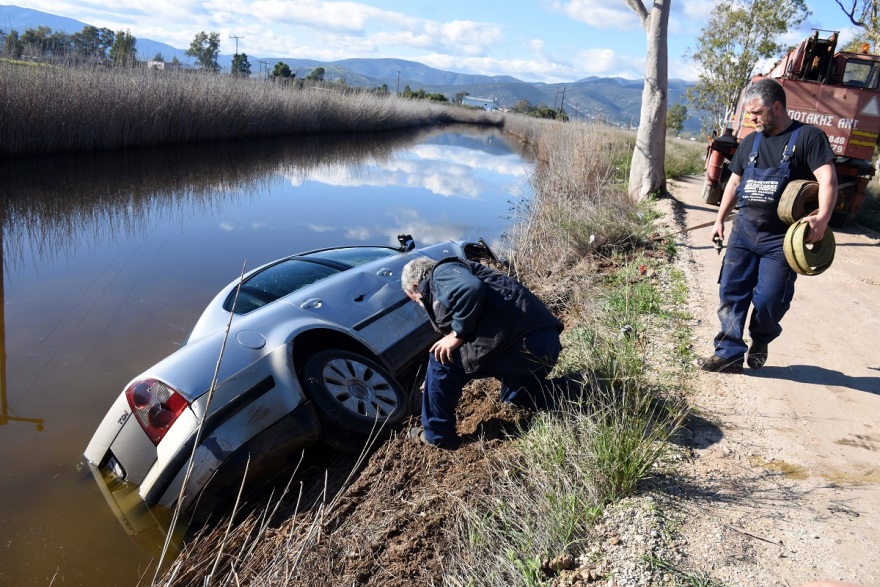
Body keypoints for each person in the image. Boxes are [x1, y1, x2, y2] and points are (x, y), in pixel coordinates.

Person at [699, 77, 838, 373]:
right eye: (749, 114)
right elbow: (735, 182)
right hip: (744, 232)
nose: (752, 119)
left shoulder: (808, 138)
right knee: (731, 293)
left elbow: (827, 179)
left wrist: (822, 218)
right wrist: (720, 219)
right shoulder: (751, 141)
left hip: (781, 239)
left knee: (769, 299)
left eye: (757, 113)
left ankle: (761, 339)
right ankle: (729, 353)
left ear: (777, 107)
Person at [400, 256, 563, 449]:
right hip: (543, 344)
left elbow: (470, 289)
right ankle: (579, 386)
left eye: (415, 300)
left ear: (417, 287)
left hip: (521, 342)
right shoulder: (458, 274)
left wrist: (457, 335)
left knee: (439, 359)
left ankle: (438, 437)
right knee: (517, 396)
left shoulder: (440, 273)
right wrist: (433, 379)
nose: (420, 304)